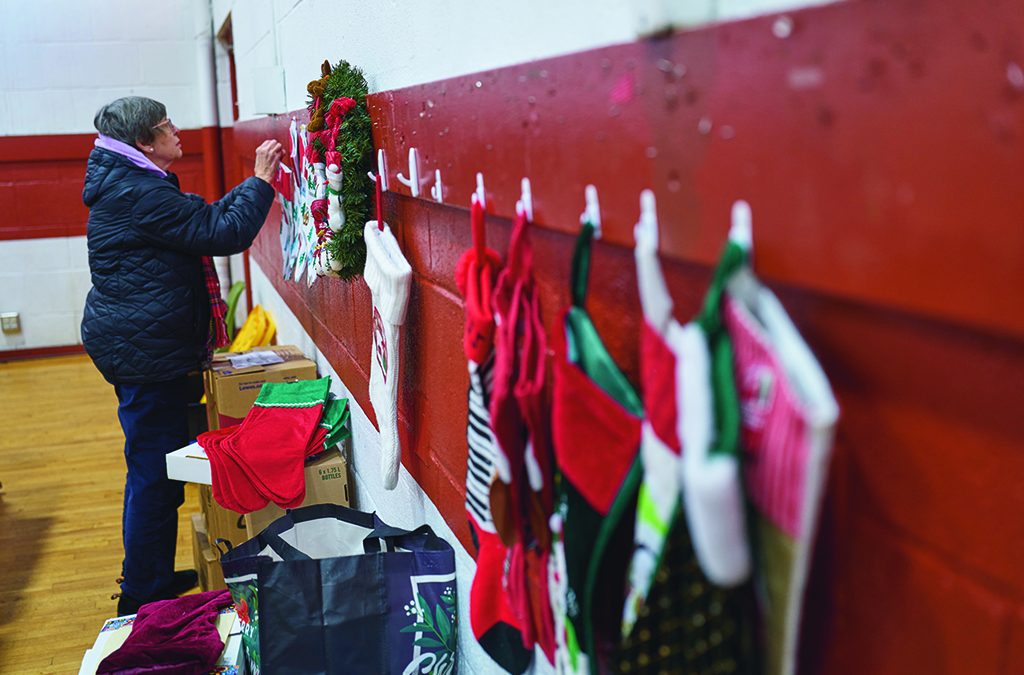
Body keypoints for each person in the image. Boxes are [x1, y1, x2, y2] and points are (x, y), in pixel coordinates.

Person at [81, 96, 284, 615]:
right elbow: (223, 231)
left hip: (144, 346)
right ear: (143, 143)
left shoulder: (132, 182)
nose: (177, 131)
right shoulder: (137, 192)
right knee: (153, 473)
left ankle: (150, 573)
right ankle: (140, 594)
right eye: (165, 125)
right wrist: (261, 180)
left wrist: (252, 186)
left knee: (157, 469)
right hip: (145, 354)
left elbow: (205, 220)